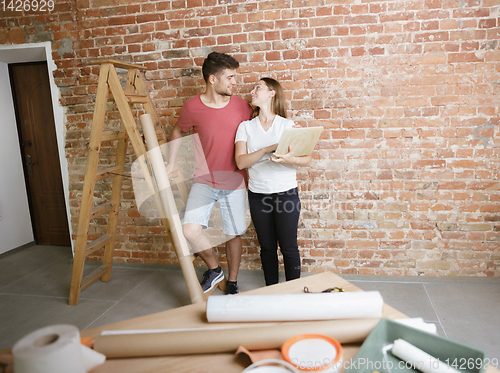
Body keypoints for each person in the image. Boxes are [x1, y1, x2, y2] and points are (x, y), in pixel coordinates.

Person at [166, 52, 253, 295]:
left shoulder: (241, 106)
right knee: (189, 230)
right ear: (212, 79)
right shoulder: (192, 107)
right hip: (204, 181)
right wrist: (171, 163)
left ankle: (233, 283)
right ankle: (215, 270)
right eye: (230, 77)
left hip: (235, 181)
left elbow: (258, 126)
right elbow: (177, 132)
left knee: (233, 234)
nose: (235, 82)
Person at [234, 78, 312, 286]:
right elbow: (241, 162)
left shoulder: (287, 125)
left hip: (286, 194)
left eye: (257, 87)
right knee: (267, 247)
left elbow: (307, 159)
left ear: (271, 93)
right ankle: (271, 290)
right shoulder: (245, 127)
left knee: (288, 246)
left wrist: (291, 159)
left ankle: (293, 292)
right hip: (258, 196)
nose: (252, 91)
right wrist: (268, 149)